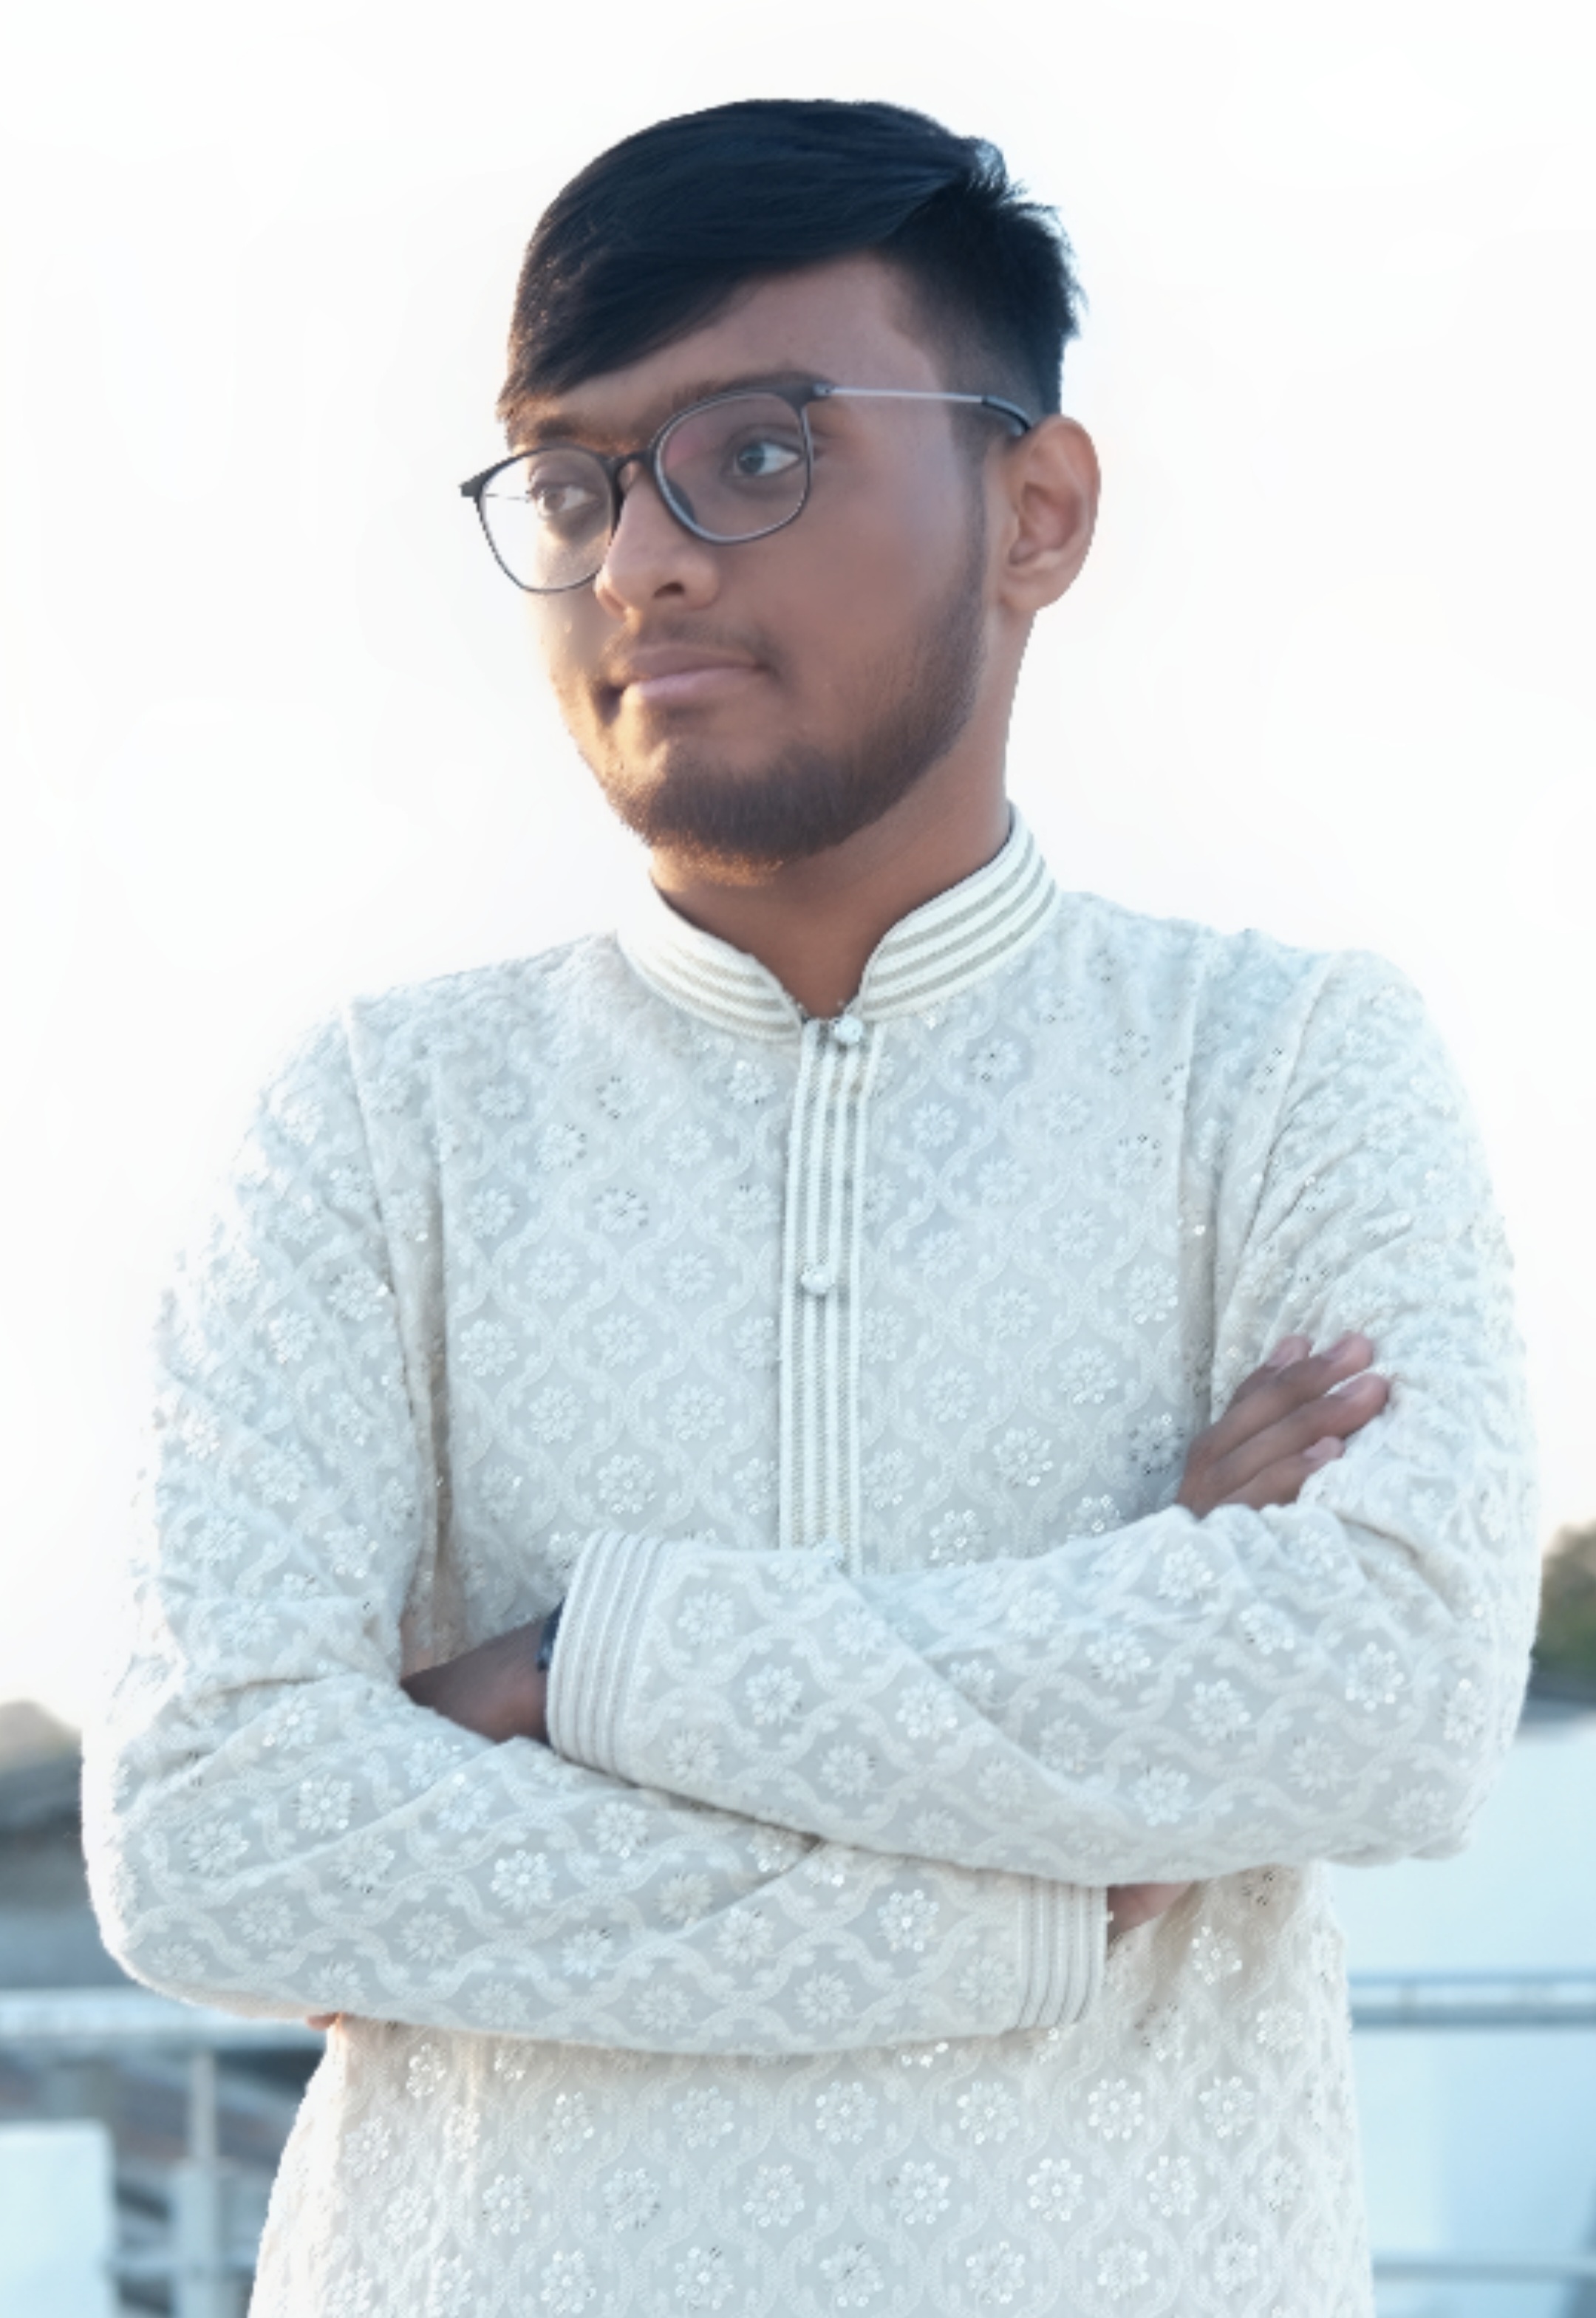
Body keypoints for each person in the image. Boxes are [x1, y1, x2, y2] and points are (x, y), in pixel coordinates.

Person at [86, 98, 1538, 2318]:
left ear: (1035, 511)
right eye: (575, 483)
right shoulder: (375, 1124)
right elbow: (215, 1835)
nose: (640, 559)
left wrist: (587, 1670)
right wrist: (1041, 1875)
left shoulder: (1286, 1068)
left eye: (755, 454)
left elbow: (1388, 1696)